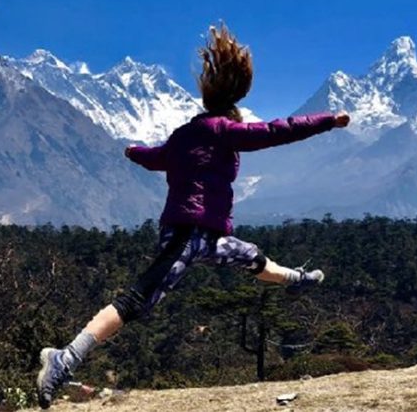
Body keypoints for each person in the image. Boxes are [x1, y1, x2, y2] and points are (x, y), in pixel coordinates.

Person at [36, 24, 351, 408]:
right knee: (137, 300)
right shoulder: (225, 131)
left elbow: (157, 158)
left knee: (251, 256)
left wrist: (133, 152)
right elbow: (275, 131)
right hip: (188, 234)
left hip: (208, 236)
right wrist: (327, 121)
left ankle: (297, 279)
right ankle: (63, 359)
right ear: (232, 110)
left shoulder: (184, 134)